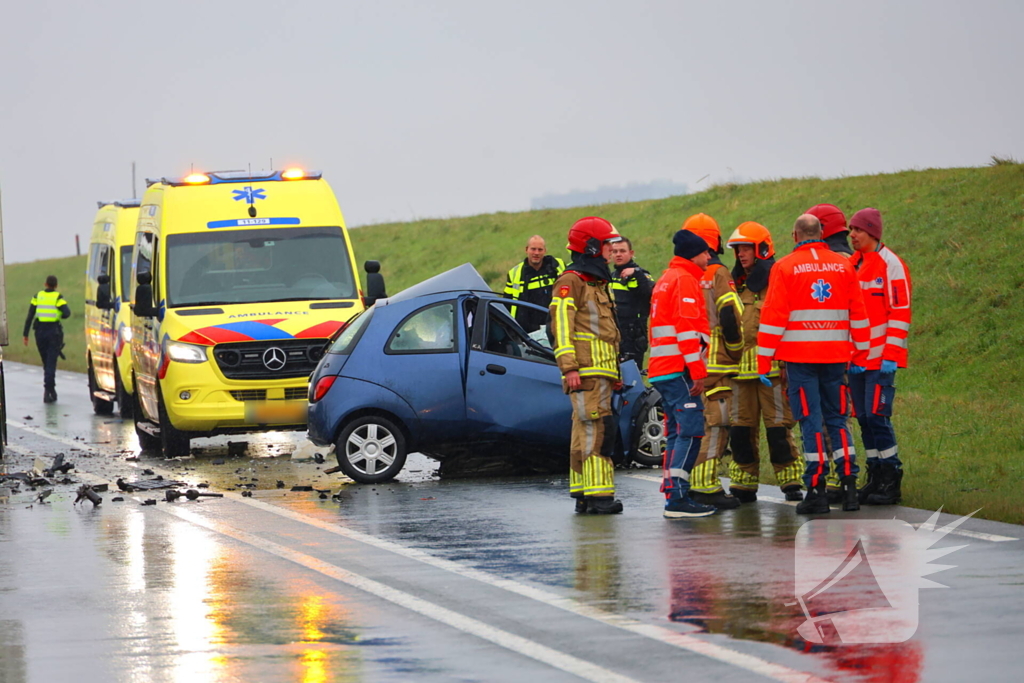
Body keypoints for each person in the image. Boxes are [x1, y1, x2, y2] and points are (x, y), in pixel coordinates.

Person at [757, 215, 870, 514]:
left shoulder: (785, 267)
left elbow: (773, 317)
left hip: (801, 361)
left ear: (795, 235)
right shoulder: (843, 265)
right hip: (836, 359)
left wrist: (763, 359)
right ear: (821, 233)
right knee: (838, 420)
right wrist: (862, 354)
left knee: (810, 422)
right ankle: (849, 488)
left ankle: (817, 492)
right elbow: (858, 312)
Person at [724, 222, 805, 503]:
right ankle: (743, 484)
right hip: (738, 373)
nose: (741, 254)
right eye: (737, 249)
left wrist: (785, 363)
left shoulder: (778, 279)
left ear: (761, 249)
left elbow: (787, 322)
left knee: (778, 430)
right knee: (741, 432)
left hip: (771, 371)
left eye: (746, 248)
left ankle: (791, 481)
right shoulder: (733, 284)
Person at [550, 217, 624, 514]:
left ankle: (584, 494)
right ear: (592, 246)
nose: (611, 250)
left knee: (585, 431)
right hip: (586, 370)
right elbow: (561, 328)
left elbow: (607, 332)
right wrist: (569, 367)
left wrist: (615, 374)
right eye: (607, 244)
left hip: (600, 371)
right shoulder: (571, 281)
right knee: (598, 430)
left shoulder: (596, 281)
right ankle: (599, 497)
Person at [648, 229, 718, 518]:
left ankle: (673, 492)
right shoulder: (686, 280)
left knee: (676, 431)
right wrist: (698, 371)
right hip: (679, 369)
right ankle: (678, 498)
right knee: (690, 430)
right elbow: (687, 331)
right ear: (693, 254)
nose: (709, 257)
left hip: (663, 369)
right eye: (705, 252)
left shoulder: (666, 278)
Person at [848, 208, 912, 505]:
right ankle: (875, 475)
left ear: (872, 232)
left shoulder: (892, 265)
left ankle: (891, 477)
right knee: (863, 418)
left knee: (878, 417)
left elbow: (899, 313)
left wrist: (891, 355)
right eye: (850, 230)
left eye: (857, 230)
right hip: (857, 361)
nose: (852, 235)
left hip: (880, 361)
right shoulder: (853, 264)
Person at [680, 214, 744, 509]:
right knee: (717, 424)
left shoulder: (682, 274)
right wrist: (736, 349)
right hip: (716, 364)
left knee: (697, 423)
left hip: (690, 362)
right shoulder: (717, 273)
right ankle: (705, 486)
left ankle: (692, 482)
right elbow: (730, 313)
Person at [806, 203, 853, 503]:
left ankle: (832, 480)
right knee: (840, 418)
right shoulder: (851, 260)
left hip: (821, 355)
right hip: (845, 352)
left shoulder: (829, 262)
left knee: (825, 420)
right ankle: (845, 478)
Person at [22, 275, 71, 403]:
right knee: (51, 362)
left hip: (39, 332)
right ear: (56, 285)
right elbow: (67, 313)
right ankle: (49, 390)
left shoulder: (37, 296)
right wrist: (58, 314)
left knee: (46, 361)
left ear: (45, 284)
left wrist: (25, 334)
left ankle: (49, 389)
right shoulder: (58, 297)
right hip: (53, 332)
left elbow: (30, 315)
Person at [503, 235, 565, 333]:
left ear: (545, 251)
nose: (536, 253)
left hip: (556, 325)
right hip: (529, 331)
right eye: (533, 249)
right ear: (526, 249)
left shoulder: (558, 266)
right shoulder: (515, 273)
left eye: (540, 250)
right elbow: (507, 303)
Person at [609, 237, 655, 363]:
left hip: (633, 337)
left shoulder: (642, 275)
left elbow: (649, 295)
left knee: (632, 378)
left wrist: (637, 273)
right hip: (613, 335)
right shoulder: (610, 277)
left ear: (631, 253)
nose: (618, 254)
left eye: (622, 251)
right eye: (615, 251)